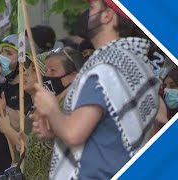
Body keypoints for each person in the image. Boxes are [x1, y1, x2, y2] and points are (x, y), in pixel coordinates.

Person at [32, 0, 162, 179]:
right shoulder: (139, 66)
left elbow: (73, 134)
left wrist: (52, 108)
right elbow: (110, 133)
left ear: (108, 15)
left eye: (92, 7)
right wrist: (56, 126)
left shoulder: (105, 70)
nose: (87, 13)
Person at [0, 47, 85, 180]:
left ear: (73, 75)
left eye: (52, 71)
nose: (25, 74)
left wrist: (9, 131)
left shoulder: (72, 107)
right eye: (46, 71)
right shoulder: (45, 108)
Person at [0, 34, 34, 177]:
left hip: (12, 168)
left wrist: (2, 109)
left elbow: (20, 124)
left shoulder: (28, 91)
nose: (2, 57)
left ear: (23, 60)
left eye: (8, 53)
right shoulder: (0, 87)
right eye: (2, 52)